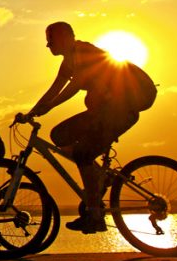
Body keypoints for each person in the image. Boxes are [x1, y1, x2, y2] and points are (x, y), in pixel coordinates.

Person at [17, 22, 157, 233]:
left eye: (50, 39)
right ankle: (101, 177)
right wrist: (32, 112)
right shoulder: (68, 63)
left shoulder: (83, 51)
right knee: (59, 134)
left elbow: (75, 85)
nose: (47, 45)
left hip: (120, 110)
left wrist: (50, 106)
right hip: (105, 111)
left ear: (64, 37)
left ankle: (94, 214)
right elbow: (54, 89)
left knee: (83, 154)